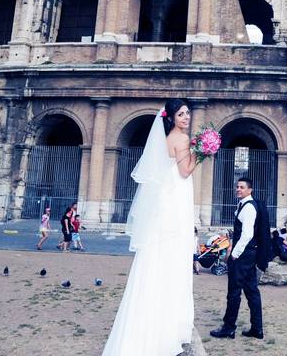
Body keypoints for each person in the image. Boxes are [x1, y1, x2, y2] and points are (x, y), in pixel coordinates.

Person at [103, 100, 196, 355]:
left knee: (158, 255)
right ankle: (168, 324)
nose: (186, 117)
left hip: (167, 199)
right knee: (175, 254)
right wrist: (203, 153)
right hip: (176, 199)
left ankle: (153, 318)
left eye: (188, 113)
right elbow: (186, 171)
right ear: (172, 117)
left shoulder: (167, 138)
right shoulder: (182, 139)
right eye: (181, 113)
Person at [209, 176, 270, 341]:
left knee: (234, 292)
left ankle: (228, 328)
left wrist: (234, 254)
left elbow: (247, 234)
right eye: (237, 187)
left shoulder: (249, 207)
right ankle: (257, 329)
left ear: (250, 190)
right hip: (251, 254)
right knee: (252, 292)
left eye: (242, 187)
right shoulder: (246, 205)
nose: (238, 189)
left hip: (243, 255)